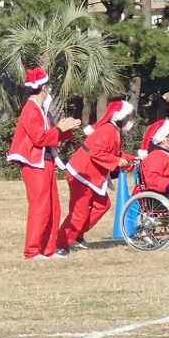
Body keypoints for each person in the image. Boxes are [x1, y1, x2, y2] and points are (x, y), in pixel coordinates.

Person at [7, 67, 81, 260]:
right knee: (40, 207)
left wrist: (67, 129)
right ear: (45, 88)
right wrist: (59, 129)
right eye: (49, 86)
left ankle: (48, 249)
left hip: (45, 162)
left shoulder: (42, 110)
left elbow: (50, 137)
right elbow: (39, 138)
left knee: (53, 207)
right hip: (33, 164)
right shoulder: (30, 109)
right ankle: (32, 251)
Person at [57, 100, 136, 253]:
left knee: (102, 205)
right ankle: (60, 243)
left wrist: (132, 159)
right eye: (130, 117)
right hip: (81, 174)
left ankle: (77, 234)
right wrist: (118, 161)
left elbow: (114, 153)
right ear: (121, 117)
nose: (131, 121)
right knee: (79, 213)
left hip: (89, 175)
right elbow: (97, 153)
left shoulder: (114, 131)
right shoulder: (108, 130)